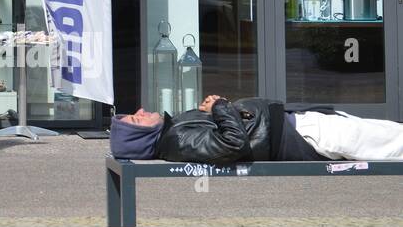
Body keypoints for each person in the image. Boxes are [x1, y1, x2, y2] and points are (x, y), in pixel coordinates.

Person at [112, 94, 403, 163]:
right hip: (304, 135)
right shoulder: (177, 141)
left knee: (390, 134)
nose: (140, 111)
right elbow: (233, 143)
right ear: (143, 137)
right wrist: (220, 106)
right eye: (136, 120)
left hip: (300, 125)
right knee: (393, 143)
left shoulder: (175, 129)